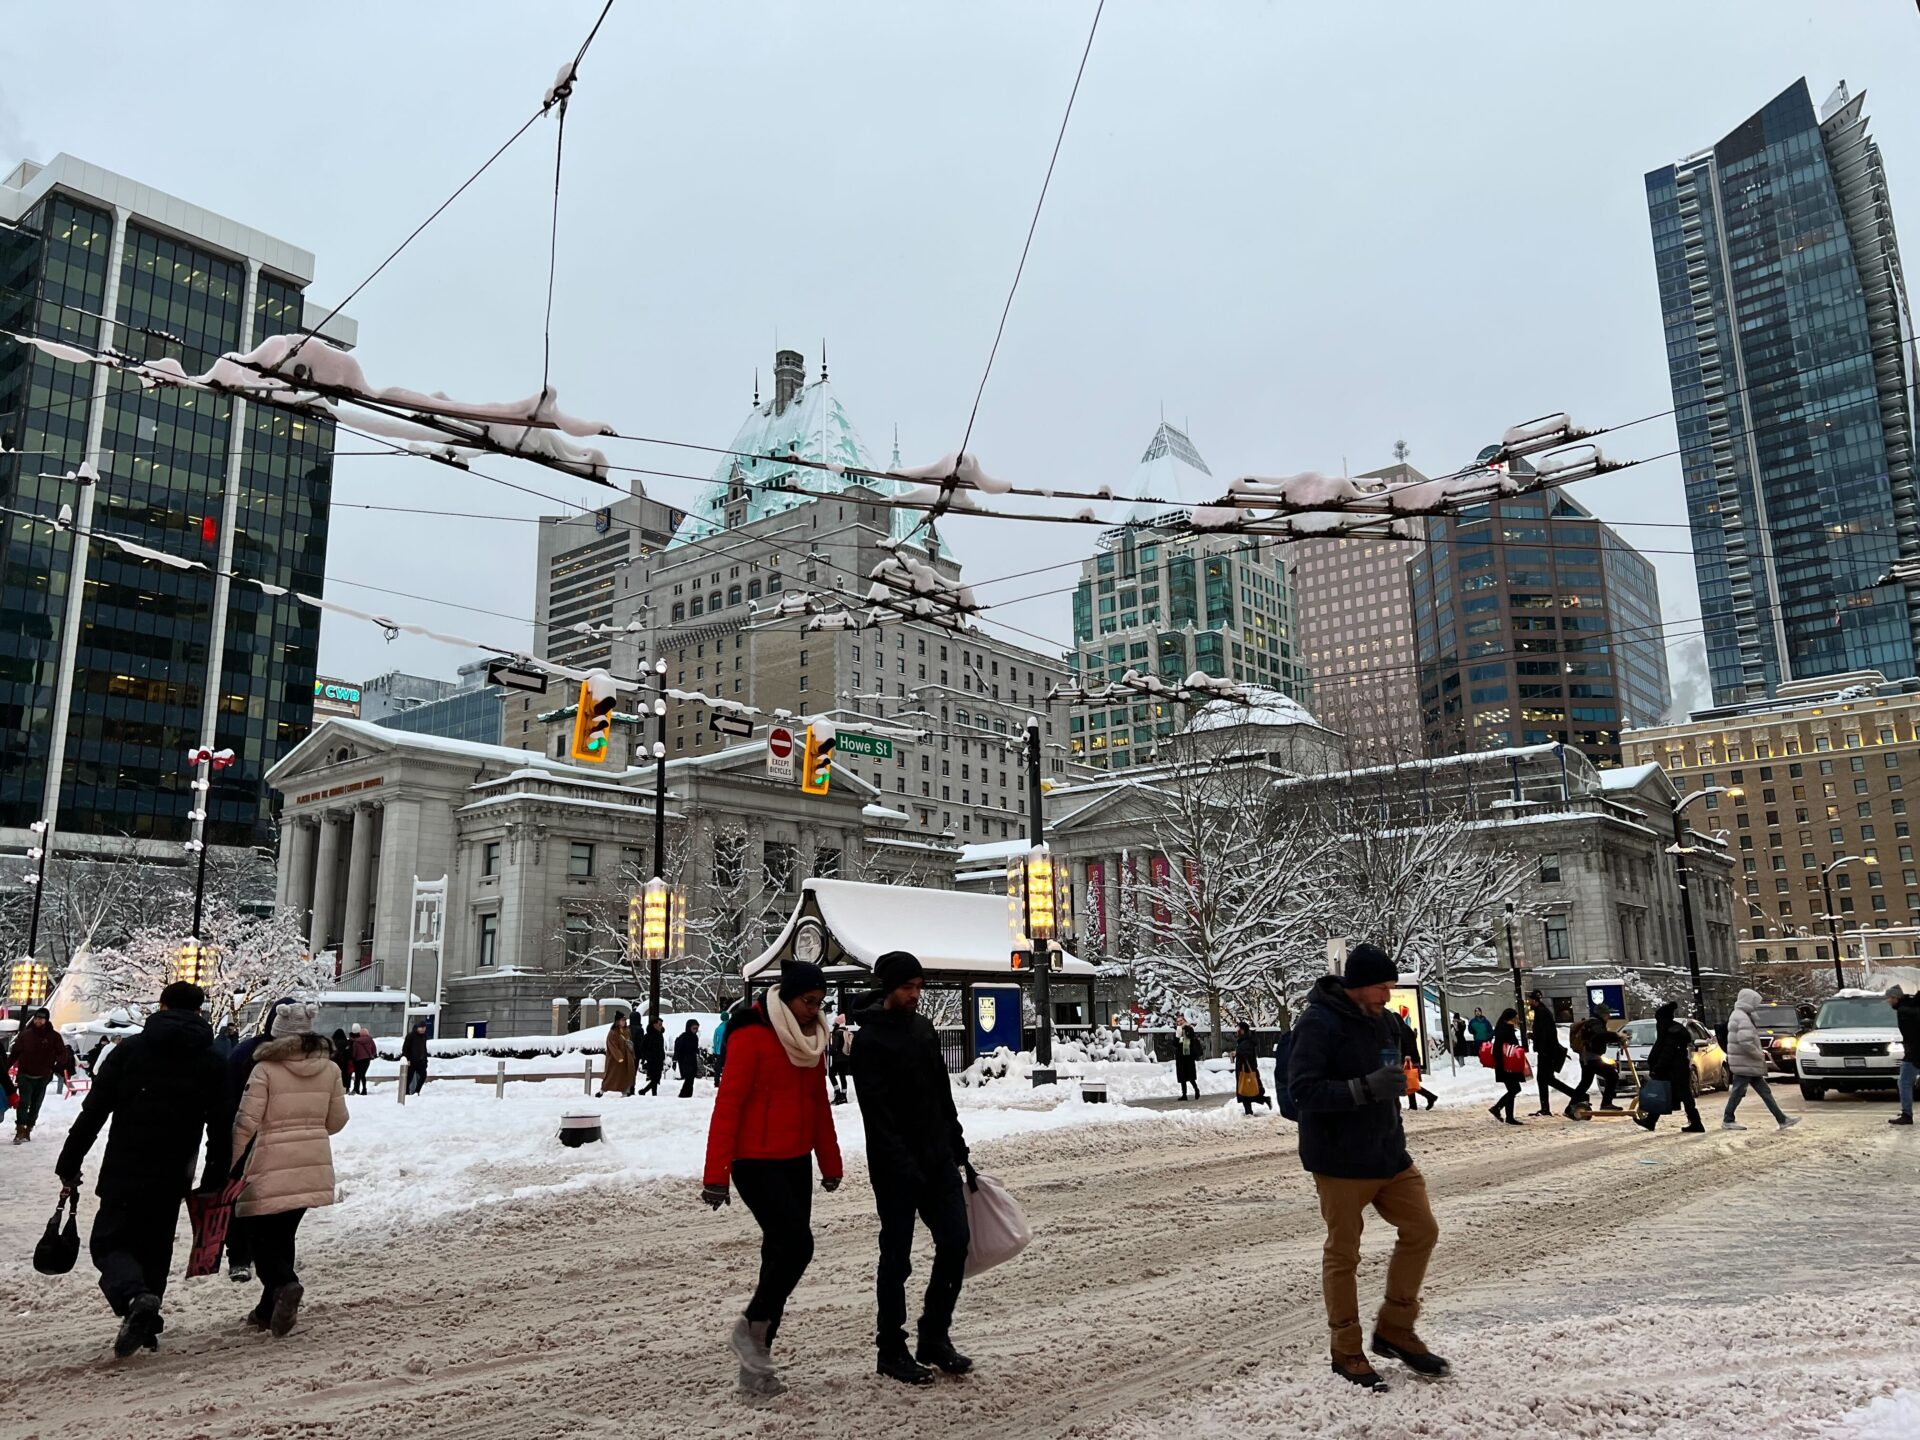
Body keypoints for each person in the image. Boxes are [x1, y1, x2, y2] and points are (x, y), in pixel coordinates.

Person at [1288, 943, 1446, 1392]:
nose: (1387, 995)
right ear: (1357, 985)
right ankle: (1347, 1348)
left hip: (1389, 1153)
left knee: (1422, 1229)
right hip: (1338, 1159)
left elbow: (1389, 1070)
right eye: (1381, 987)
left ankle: (1395, 1328)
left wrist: (1398, 1081)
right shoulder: (1319, 1022)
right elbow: (1304, 1092)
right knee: (1344, 1254)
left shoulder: (1385, 1021)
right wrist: (1364, 1089)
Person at [54, 982, 230, 1357]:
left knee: (109, 1241)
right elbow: (220, 1125)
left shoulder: (132, 1050)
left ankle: (136, 1298)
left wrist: (70, 1160)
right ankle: (146, 1316)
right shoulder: (212, 1058)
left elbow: (94, 1112)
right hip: (174, 1170)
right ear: (200, 1011)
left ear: (162, 1005)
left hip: (126, 1164)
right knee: (155, 1246)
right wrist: (215, 1176)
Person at [701, 961, 844, 1396]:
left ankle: (756, 1364)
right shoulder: (751, 1037)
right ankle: (749, 1330)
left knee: (777, 1258)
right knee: (798, 1246)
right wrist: (715, 1176)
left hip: (796, 1160)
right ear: (787, 997)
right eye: (807, 1001)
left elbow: (819, 1105)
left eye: (819, 1003)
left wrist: (830, 1163)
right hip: (755, 1162)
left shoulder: (811, 1041)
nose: (813, 1010)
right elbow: (728, 1105)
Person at [851, 951, 972, 1386]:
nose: (915, 995)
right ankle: (890, 1347)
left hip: (938, 1159)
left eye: (919, 987)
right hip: (896, 1168)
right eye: (908, 987)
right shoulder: (868, 1041)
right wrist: (903, 1164)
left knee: (956, 1242)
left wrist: (956, 1145)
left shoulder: (923, 1030)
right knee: (896, 1259)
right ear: (889, 988)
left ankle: (934, 1335)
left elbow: (942, 1093)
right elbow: (876, 1116)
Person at [230, 1001, 347, 1337]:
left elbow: (246, 1123)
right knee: (282, 1234)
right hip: (312, 1163)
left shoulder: (264, 1070)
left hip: (267, 1163)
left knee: (256, 1232)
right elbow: (338, 1120)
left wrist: (232, 1162)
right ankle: (268, 1309)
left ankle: (285, 1284)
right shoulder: (330, 1069)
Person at [1723, 988, 1797, 1131]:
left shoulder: (1740, 1015)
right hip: (1745, 1062)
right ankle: (1728, 1119)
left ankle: (1782, 1119)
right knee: (1740, 1091)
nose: (1757, 1005)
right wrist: (1758, 1054)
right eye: (1755, 1002)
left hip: (1745, 1062)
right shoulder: (1742, 1017)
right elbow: (1745, 1041)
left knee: (1762, 1091)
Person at [1635, 1001, 1705, 1133]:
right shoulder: (1671, 1030)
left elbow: (1667, 1053)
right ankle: (1651, 1121)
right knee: (1669, 1094)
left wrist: (1658, 1068)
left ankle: (1695, 1123)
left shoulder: (1671, 1032)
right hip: (1676, 1069)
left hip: (1674, 1070)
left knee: (1676, 1095)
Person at [10, 1008, 70, 1143]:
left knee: (36, 1103)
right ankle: (20, 1128)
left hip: (43, 1075)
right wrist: (5, 1068)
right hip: (25, 1074)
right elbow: (15, 1053)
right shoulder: (25, 1035)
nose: (38, 1020)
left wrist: (55, 1065)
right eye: (37, 1018)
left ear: (46, 1020)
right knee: (24, 1102)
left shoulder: (54, 1037)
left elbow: (63, 1054)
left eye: (41, 1018)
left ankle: (29, 1127)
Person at [1527, 991, 1579, 1117]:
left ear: (1535, 1001)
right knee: (1546, 1080)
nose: (1529, 1003)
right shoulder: (1542, 1012)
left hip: (1546, 1052)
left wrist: (1535, 1039)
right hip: (1547, 1051)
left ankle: (1577, 1096)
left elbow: (1546, 1034)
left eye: (1530, 1000)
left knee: (1545, 1079)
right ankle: (1545, 1107)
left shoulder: (1542, 1013)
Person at [1568, 1006, 1625, 1116]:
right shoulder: (1596, 1023)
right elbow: (1600, 1036)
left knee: (1585, 1083)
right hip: (1591, 1058)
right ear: (1602, 1014)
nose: (1609, 1016)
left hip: (1586, 1058)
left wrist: (1615, 1039)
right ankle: (1606, 1103)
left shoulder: (1592, 1023)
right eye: (1608, 1014)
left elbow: (1598, 1038)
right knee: (1612, 1075)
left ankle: (1570, 1108)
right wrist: (1617, 1036)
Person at [1486, 1008, 1525, 1125]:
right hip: (1507, 1065)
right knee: (1514, 1089)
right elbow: (1502, 1049)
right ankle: (1497, 1108)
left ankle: (1508, 1116)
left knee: (1512, 1090)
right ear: (1510, 1019)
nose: (1517, 1019)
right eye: (1515, 1017)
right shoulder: (1505, 1031)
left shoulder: (1504, 1029)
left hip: (1506, 1064)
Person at [1888, 986, 1920, 1125]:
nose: (1888, 1001)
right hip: (1916, 1050)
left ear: (1896, 998)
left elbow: (1912, 1035)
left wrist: (1911, 1052)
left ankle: (1907, 1114)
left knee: (1904, 1082)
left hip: (1915, 1052)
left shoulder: (1904, 1012)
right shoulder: (1912, 1007)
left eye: (1889, 998)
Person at [1394, 1010, 1436, 1111]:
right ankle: (1415, 1104)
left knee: (1410, 1082)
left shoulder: (1404, 1030)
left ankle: (1429, 1097)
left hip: (1409, 1060)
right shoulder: (1404, 1029)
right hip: (1409, 1059)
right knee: (1409, 1083)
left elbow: (1409, 1045)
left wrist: (1407, 1056)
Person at [1234, 1021, 1272, 1115]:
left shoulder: (1246, 1041)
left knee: (1245, 1092)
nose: (1237, 1031)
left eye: (1239, 1029)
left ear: (1243, 1030)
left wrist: (1237, 1054)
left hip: (1246, 1069)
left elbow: (1246, 1054)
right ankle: (1262, 1101)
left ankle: (1249, 1111)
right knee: (1248, 1091)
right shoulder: (1246, 1040)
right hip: (1246, 1069)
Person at [601, 1013, 637, 1097]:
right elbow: (612, 1045)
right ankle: (603, 1089)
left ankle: (625, 1090)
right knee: (612, 1075)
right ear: (617, 1021)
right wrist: (619, 1056)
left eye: (625, 1020)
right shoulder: (613, 1032)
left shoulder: (627, 1030)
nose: (624, 1022)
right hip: (615, 1060)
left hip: (627, 1057)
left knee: (626, 1074)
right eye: (622, 1020)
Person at [827, 1013, 853, 1104]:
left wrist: (830, 1050)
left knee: (831, 1074)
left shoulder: (837, 1033)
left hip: (838, 1059)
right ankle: (844, 1096)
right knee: (842, 1077)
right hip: (846, 1058)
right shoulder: (847, 1032)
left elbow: (834, 1048)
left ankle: (838, 1093)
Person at [638, 1016, 666, 1096]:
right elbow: (643, 1048)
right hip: (652, 1060)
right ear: (654, 1025)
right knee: (654, 1078)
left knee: (657, 1078)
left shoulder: (660, 1035)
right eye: (659, 1024)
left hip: (659, 1060)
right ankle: (653, 1094)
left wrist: (662, 1056)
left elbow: (661, 1048)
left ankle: (644, 1091)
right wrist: (646, 1057)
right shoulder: (648, 1036)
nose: (661, 1026)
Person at [401, 1020, 431, 1095]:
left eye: (424, 1027)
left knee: (423, 1075)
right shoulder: (411, 1036)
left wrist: (425, 1060)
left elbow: (424, 1048)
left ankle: (417, 1091)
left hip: (420, 1061)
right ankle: (406, 1092)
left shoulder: (424, 1036)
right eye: (421, 1027)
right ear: (417, 1027)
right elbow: (405, 1048)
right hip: (411, 1060)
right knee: (409, 1078)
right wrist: (407, 1059)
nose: (423, 1029)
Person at [674, 1019, 702, 1098]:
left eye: (697, 1028)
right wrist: (676, 1059)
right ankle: (683, 1094)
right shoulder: (683, 1037)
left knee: (691, 1078)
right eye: (694, 1028)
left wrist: (696, 1050)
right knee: (688, 1078)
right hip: (684, 1060)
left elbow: (694, 1048)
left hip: (692, 1060)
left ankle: (688, 1094)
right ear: (689, 1027)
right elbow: (678, 1049)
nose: (695, 1030)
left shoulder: (695, 1037)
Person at [1175, 1023, 1202, 1101]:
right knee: (1182, 1077)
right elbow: (1175, 1044)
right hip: (1181, 1057)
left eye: (1181, 1021)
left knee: (1191, 1077)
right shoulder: (1177, 1032)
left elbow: (1191, 1037)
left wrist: (1186, 1029)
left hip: (1189, 1057)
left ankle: (1196, 1089)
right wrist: (1178, 1035)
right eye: (1178, 1021)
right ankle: (1184, 1095)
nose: (1180, 1023)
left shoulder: (1189, 1029)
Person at [349, 1025, 377, 1095]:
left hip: (358, 1061)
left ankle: (356, 1089)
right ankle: (364, 1089)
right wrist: (371, 1055)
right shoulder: (370, 1040)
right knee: (363, 1075)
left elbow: (354, 1052)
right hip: (367, 1060)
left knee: (358, 1075)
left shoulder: (356, 1041)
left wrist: (353, 1058)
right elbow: (374, 1050)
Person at [330, 1028, 353, 1092]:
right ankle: (346, 1088)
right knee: (346, 1075)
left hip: (335, 1061)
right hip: (345, 1062)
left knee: (335, 1075)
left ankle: (335, 1088)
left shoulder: (333, 1042)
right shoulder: (346, 1042)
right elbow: (349, 1053)